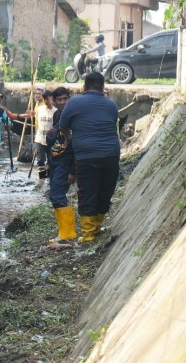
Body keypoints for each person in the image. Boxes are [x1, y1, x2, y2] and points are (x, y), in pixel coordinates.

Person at [59, 72, 120, 243]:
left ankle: (88, 234)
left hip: (86, 156)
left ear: (84, 86)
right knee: (105, 189)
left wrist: (69, 137)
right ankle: (97, 226)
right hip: (111, 155)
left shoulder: (74, 103)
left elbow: (63, 126)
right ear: (102, 87)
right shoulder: (111, 104)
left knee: (87, 191)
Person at [44, 86, 77, 249]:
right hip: (55, 161)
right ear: (54, 101)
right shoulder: (57, 115)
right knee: (54, 195)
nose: (63, 102)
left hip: (66, 162)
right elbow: (54, 141)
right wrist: (49, 163)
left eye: (65, 98)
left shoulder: (74, 116)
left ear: (69, 98)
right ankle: (63, 232)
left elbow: (76, 146)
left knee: (57, 196)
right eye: (59, 99)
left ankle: (68, 233)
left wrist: (73, 171)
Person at [33, 88, 56, 178]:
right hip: (40, 139)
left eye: (48, 99)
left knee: (51, 160)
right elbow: (37, 122)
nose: (46, 101)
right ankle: (41, 179)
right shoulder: (40, 109)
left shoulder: (55, 111)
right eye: (45, 99)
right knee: (40, 160)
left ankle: (50, 179)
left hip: (51, 141)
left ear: (52, 99)